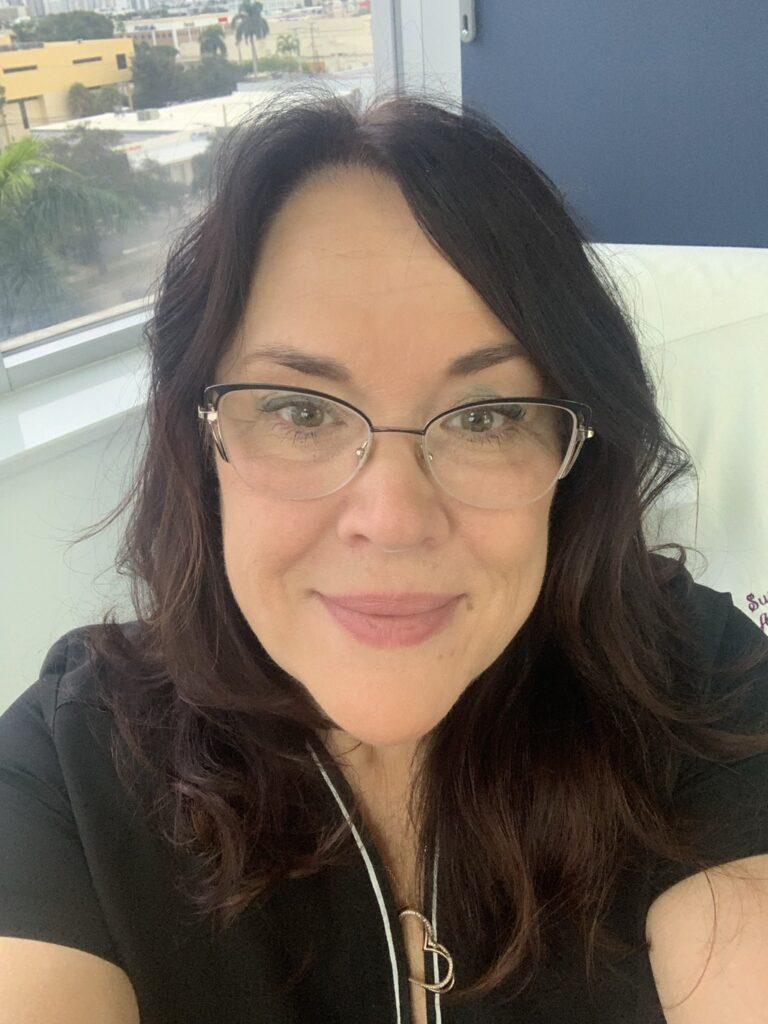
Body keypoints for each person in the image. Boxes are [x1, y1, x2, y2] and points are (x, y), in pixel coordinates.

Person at [1, 89, 767, 1024]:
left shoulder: (700, 685)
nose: (394, 519)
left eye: (486, 417)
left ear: (575, 459)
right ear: (200, 443)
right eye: (301, 412)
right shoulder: (71, 769)